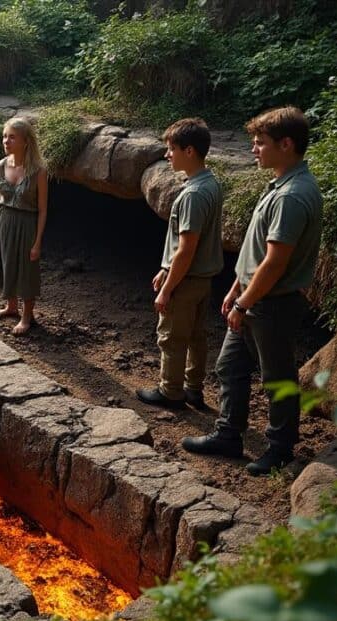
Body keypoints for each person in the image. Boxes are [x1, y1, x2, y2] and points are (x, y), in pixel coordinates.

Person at [182, 106, 323, 476]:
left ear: (286, 144)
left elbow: (275, 262)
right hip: (253, 298)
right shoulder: (281, 184)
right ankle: (228, 435)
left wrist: (244, 302)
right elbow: (257, 251)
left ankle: (280, 451)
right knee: (230, 367)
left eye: (260, 143)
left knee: (277, 378)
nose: (253, 150)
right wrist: (235, 289)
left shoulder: (292, 196)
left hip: (271, 304)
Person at [137, 118, 224, 411]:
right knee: (197, 337)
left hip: (185, 281)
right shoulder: (210, 184)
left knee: (172, 337)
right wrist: (165, 267)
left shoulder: (193, 195)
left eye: (171, 149)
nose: (167, 155)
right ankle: (193, 390)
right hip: (203, 279)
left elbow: (186, 249)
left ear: (189, 151)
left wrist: (167, 288)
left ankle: (171, 392)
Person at [0, 117, 49, 336]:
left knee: (26, 269)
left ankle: (26, 316)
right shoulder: (0, 166)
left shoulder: (39, 171)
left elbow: (43, 210)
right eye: (4, 136)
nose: (6, 141)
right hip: (4, 220)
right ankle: (11, 306)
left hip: (27, 224)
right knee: (5, 262)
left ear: (25, 141)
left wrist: (38, 241)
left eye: (12, 137)